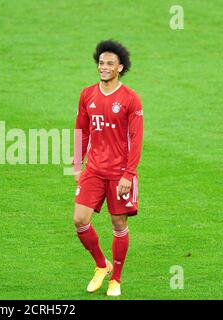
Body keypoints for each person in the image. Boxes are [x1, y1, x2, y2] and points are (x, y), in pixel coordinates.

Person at [72, 40, 144, 297]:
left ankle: (116, 280)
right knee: (79, 220)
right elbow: (82, 129)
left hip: (119, 174)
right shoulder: (87, 94)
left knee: (118, 224)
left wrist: (129, 173)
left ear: (120, 68)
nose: (103, 67)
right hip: (93, 169)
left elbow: (136, 139)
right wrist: (77, 163)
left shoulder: (130, 99)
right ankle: (102, 265)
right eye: (101, 63)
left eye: (109, 64)